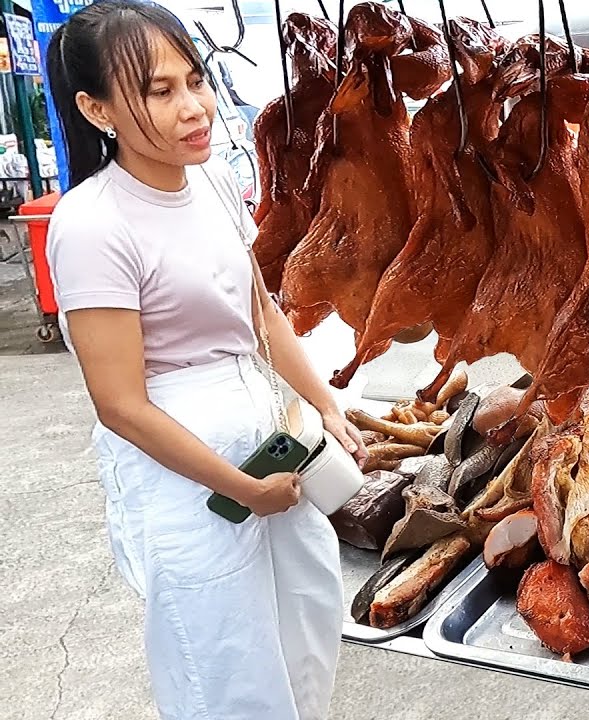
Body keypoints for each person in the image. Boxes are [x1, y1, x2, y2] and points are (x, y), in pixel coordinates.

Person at [43, 1, 366, 718]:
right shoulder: (92, 224)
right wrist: (240, 490)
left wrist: (324, 405)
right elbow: (120, 404)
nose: (194, 107)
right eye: (161, 91)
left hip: (271, 447)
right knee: (225, 669)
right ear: (97, 109)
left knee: (304, 640)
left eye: (195, 80)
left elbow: (260, 312)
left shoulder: (216, 180)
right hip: (187, 482)